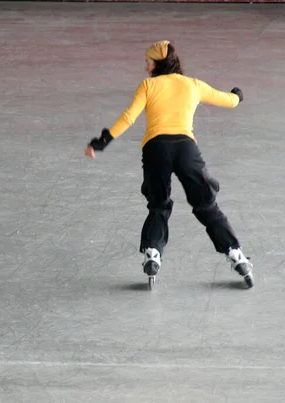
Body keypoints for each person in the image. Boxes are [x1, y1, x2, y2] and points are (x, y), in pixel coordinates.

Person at [84, 40, 254, 289]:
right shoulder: (192, 85)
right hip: (186, 150)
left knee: (159, 206)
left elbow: (129, 117)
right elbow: (226, 100)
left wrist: (101, 142)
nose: (146, 68)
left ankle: (153, 254)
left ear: (158, 63)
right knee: (206, 205)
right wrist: (238, 96)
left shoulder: (148, 85)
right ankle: (236, 256)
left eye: (148, 62)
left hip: (155, 150)